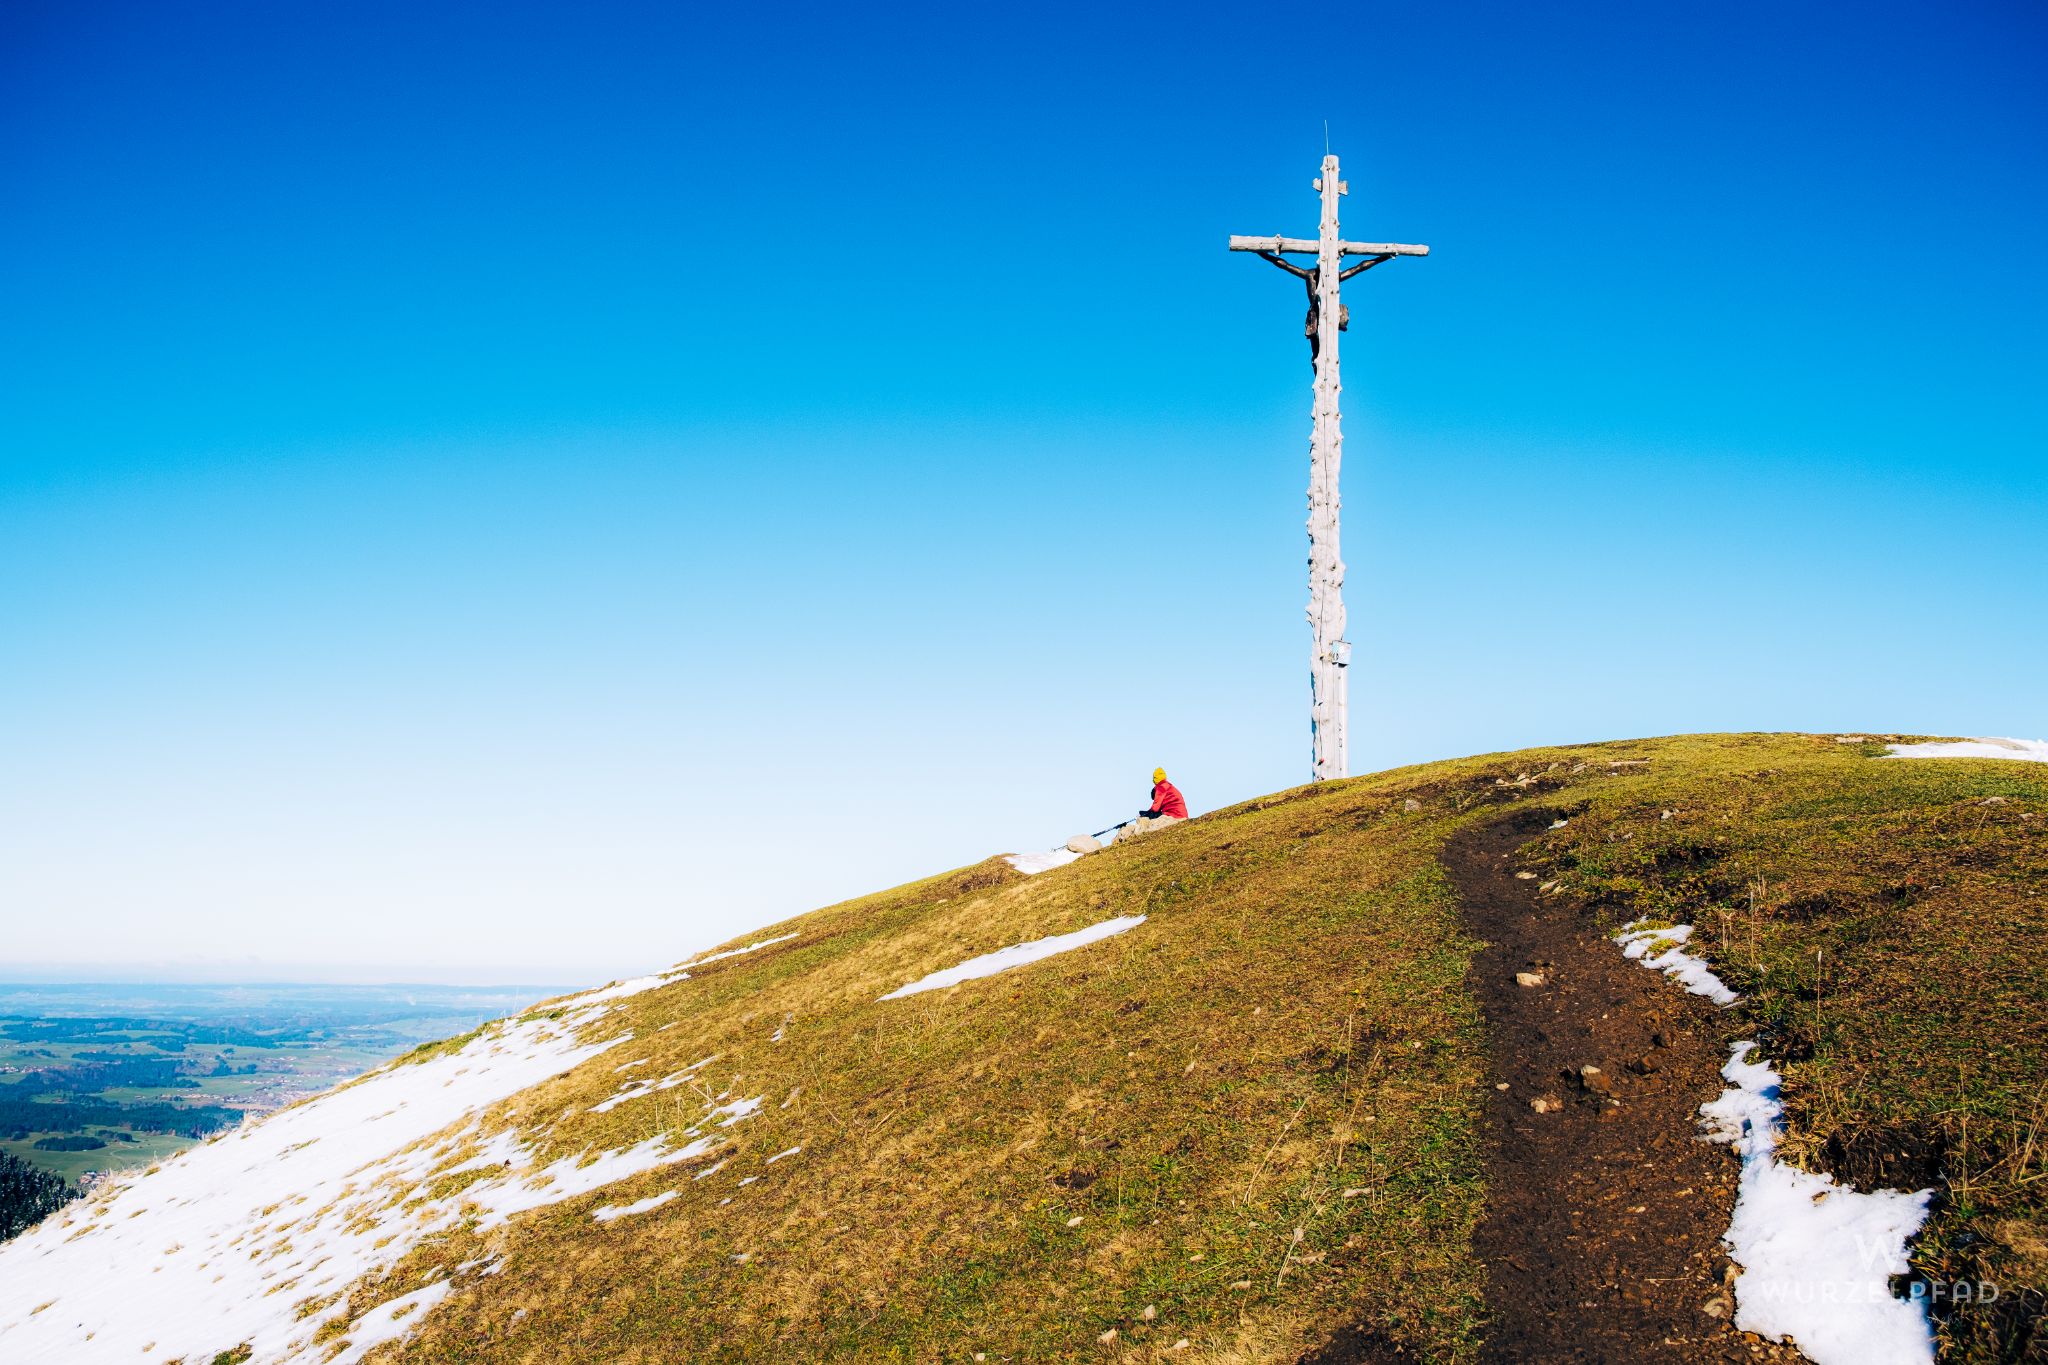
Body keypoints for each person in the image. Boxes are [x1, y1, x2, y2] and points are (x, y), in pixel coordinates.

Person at [1131, 767, 1187, 833]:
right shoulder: (1169, 786)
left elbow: (1154, 809)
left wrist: (1143, 814)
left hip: (1174, 815)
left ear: (1155, 780)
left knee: (1149, 822)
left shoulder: (1161, 787)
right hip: (1182, 814)